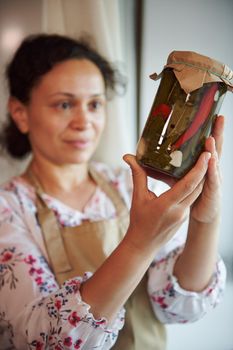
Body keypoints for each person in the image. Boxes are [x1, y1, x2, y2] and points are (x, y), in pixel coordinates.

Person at [0, 33, 226, 350]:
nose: (84, 121)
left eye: (95, 104)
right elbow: (46, 340)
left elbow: (177, 305)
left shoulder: (126, 185)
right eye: (64, 104)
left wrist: (205, 219)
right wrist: (139, 242)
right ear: (20, 113)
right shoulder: (8, 210)